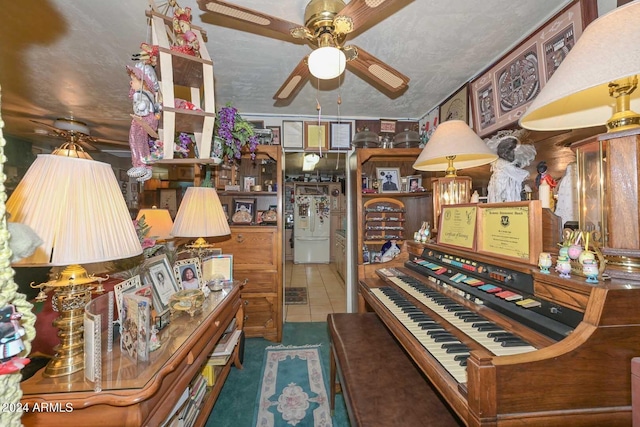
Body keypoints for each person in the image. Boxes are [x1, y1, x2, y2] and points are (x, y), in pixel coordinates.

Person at [126, 62, 160, 182]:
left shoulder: (141, 95)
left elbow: (142, 108)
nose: (131, 82)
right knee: (142, 141)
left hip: (143, 119)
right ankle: (147, 167)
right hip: (151, 120)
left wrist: (141, 107)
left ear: (143, 81)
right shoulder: (150, 94)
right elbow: (155, 107)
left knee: (135, 139)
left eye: (133, 80)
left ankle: (140, 164)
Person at [486, 131, 536, 203]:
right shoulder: (502, 163)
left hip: (503, 187)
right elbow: (518, 173)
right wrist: (525, 174)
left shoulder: (501, 164)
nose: (514, 153)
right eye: (512, 151)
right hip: (502, 187)